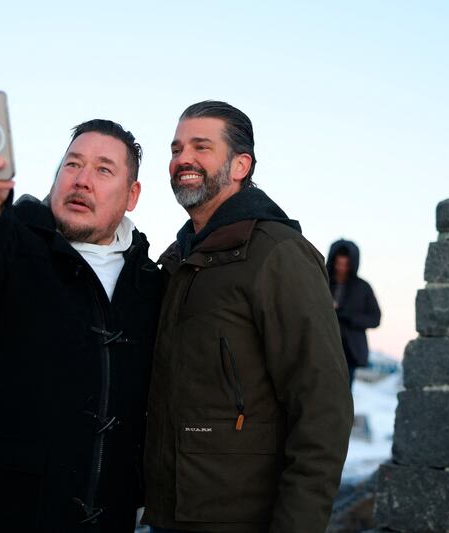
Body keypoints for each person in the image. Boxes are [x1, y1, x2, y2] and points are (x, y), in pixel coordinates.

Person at [0, 119, 162, 532]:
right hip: (0, 517)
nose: (82, 180)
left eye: (103, 169)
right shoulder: (12, 243)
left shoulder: (151, 284)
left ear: (132, 195)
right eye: (72, 165)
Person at [141, 101, 353, 533]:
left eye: (201, 147)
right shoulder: (177, 261)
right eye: (177, 148)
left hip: (243, 519)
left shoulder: (277, 254)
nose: (183, 159)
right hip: (171, 516)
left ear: (241, 165)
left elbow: (322, 409)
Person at [327, 240, 382, 389]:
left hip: (350, 351)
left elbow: (375, 319)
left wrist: (348, 317)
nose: (341, 268)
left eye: (346, 264)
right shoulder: (322, 282)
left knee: (343, 392)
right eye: (338, 263)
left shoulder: (363, 288)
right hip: (324, 346)